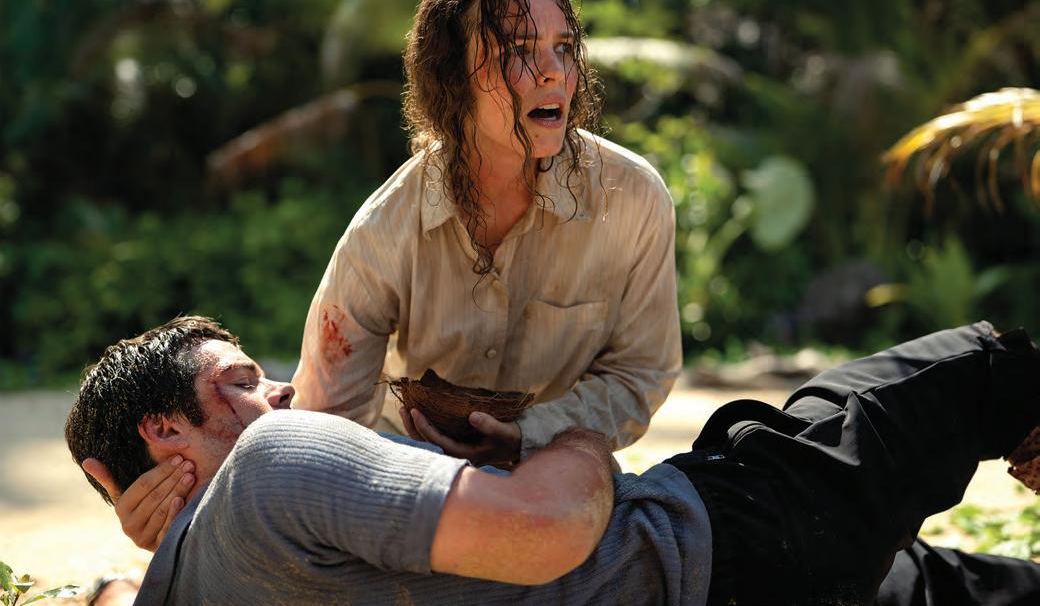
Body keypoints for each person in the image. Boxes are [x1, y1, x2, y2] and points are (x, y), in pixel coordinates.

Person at [69, 314, 1040, 606]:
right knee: (988, 372)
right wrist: (570, 437)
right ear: (164, 433)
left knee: (943, 588)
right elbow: (549, 529)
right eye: (242, 380)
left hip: (742, 573)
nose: (283, 391)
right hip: (725, 549)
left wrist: (131, 572)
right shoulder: (273, 463)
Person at [293, 0, 681, 464]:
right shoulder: (385, 229)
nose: (554, 73)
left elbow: (640, 373)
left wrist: (531, 434)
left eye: (565, 47)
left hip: (553, 470)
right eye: (519, 49)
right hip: (408, 471)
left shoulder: (633, 199)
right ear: (452, 77)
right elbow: (324, 418)